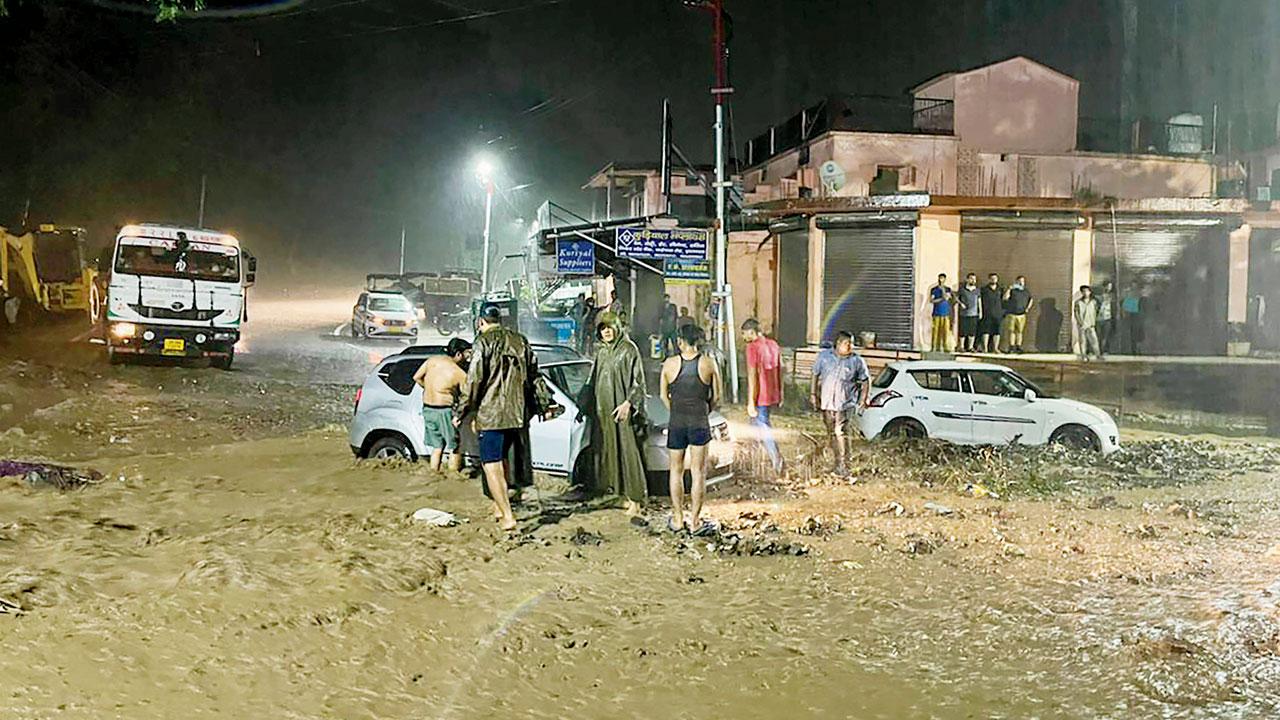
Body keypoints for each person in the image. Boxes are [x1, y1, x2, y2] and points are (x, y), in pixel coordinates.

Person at [456, 305, 560, 532]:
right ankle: (498, 508)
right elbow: (535, 376)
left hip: (492, 417)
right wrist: (544, 406)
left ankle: (508, 516)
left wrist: (461, 412)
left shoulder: (482, 343)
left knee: (491, 466)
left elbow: (473, 382)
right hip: (518, 416)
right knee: (503, 463)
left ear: (480, 322)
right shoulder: (520, 340)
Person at [581, 311, 648, 516]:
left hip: (622, 412)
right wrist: (583, 405)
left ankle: (636, 499)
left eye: (609, 327)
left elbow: (639, 383)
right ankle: (620, 495)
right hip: (604, 413)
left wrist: (628, 403)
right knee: (611, 454)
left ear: (617, 327)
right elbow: (592, 381)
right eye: (602, 328)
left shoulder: (629, 350)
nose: (606, 331)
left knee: (628, 454)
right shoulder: (601, 352)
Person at [659, 323, 722, 534]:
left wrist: (676, 410)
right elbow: (718, 396)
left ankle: (677, 519)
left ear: (679, 341)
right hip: (698, 422)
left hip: (677, 421)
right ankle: (695, 522)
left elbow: (662, 396)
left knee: (675, 471)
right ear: (698, 340)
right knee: (698, 472)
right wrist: (704, 410)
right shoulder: (708, 363)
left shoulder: (668, 364)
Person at [810, 331, 869, 477]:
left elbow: (865, 380)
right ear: (838, 344)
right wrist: (813, 394)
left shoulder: (856, 361)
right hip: (827, 403)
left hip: (845, 404)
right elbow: (815, 374)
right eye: (847, 343)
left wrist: (863, 399)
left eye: (851, 344)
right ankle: (837, 463)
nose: (850, 346)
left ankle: (845, 465)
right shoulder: (824, 357)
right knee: (831, 433)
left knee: (840, 432)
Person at [412, 337, 472, 471]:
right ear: (458, 354)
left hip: (427, 409)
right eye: (467, 353)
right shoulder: (458, 372)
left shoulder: (432, 361)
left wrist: (428, 388)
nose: (468, 358)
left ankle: (434, 474)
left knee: (437, 447)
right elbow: (466, 397)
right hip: (444, 411)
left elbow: (416, 377)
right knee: (454, 447)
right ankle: (453, 478)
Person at [741, 318, 784, 474]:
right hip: (772, 394)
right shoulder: (773, 345)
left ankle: (776, 460)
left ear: (751, 332)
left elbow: (752, 377)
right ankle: (751, 462)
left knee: (764, 429)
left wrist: (750, 402)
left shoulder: (752, 348)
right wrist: (781, 393)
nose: (743, 337)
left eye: (744, 334)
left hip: (761, 396)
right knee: (752, 428)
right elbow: (781, 370)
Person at [1003, 275, 1034, 353]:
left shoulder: (1025, 291)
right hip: (1012, 314)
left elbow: (1031, 299)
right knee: (1011, 331)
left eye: (1023, 281)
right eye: (1020, 281)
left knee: (1019, 331)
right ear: (1016, 282)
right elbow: (1005, 298)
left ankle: (1018, 346)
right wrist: (1009, 289)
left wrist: (1027, 308)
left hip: (1022, 314)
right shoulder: (1013, 290)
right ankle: (1011, 347)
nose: (1021, 283)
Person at [1073, 285, 1101, 361]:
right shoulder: (1078, 302)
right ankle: (1084, 356)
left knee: (1094, 341)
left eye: (1087, 291)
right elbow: (1076, 313)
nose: (1086, 293)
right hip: (1082, 325)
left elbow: (1097, 311)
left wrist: (1094, 320)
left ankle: (1098, 355)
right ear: (1082, 292)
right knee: (1083, 341)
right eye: (1084, 291)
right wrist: (1080, 322)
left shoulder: (1094, 302)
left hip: (1091, 324)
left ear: (1090, 292)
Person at [979, 273, 1005, 353]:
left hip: (997, 314)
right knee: (986, 331)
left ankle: (996, 348)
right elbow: (980, 301)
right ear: (989, 279)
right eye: (992, 278)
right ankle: (985, 348)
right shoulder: (984, 289)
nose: (994, 280)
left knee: (997, 331)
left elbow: (1004, 300)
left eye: (995, 278)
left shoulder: (1000, 289)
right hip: (987, 313)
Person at [957, 272, 981, 353]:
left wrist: (980, 312)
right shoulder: (962, 290)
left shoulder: (977, 290)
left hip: (974, 313)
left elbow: (979, 301)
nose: (973, 280)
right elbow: (956, 299)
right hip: (964, 314)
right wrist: (961, 304)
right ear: (967, 279)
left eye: (974, 279)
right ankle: (961, 346)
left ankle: (971, 347)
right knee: (963, 331)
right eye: (971, 279)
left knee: (972, 331)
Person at [929, 273, 954, 352]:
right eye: (940, 278)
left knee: (945, 331)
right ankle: (934, 347)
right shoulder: (934, 289)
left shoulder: (948, 289)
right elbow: (931, 300)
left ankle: (945, 347)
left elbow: (948, 298)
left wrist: (944, 293)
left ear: (945, 279)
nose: (941, 280)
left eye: (943, 278)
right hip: (936, 313)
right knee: (935, 331)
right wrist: (941, 299)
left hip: (945, 313)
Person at [1097, 280, 1116, 354]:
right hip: (1099, 318)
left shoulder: (1112, 296)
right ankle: (1098, 350)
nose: (1109, 288)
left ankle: (1104, 349)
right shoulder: (1099, 296)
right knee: (1099, 335)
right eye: (1108, 286)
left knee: (1106, 335)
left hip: (1108, 318)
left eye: (1110, 287)